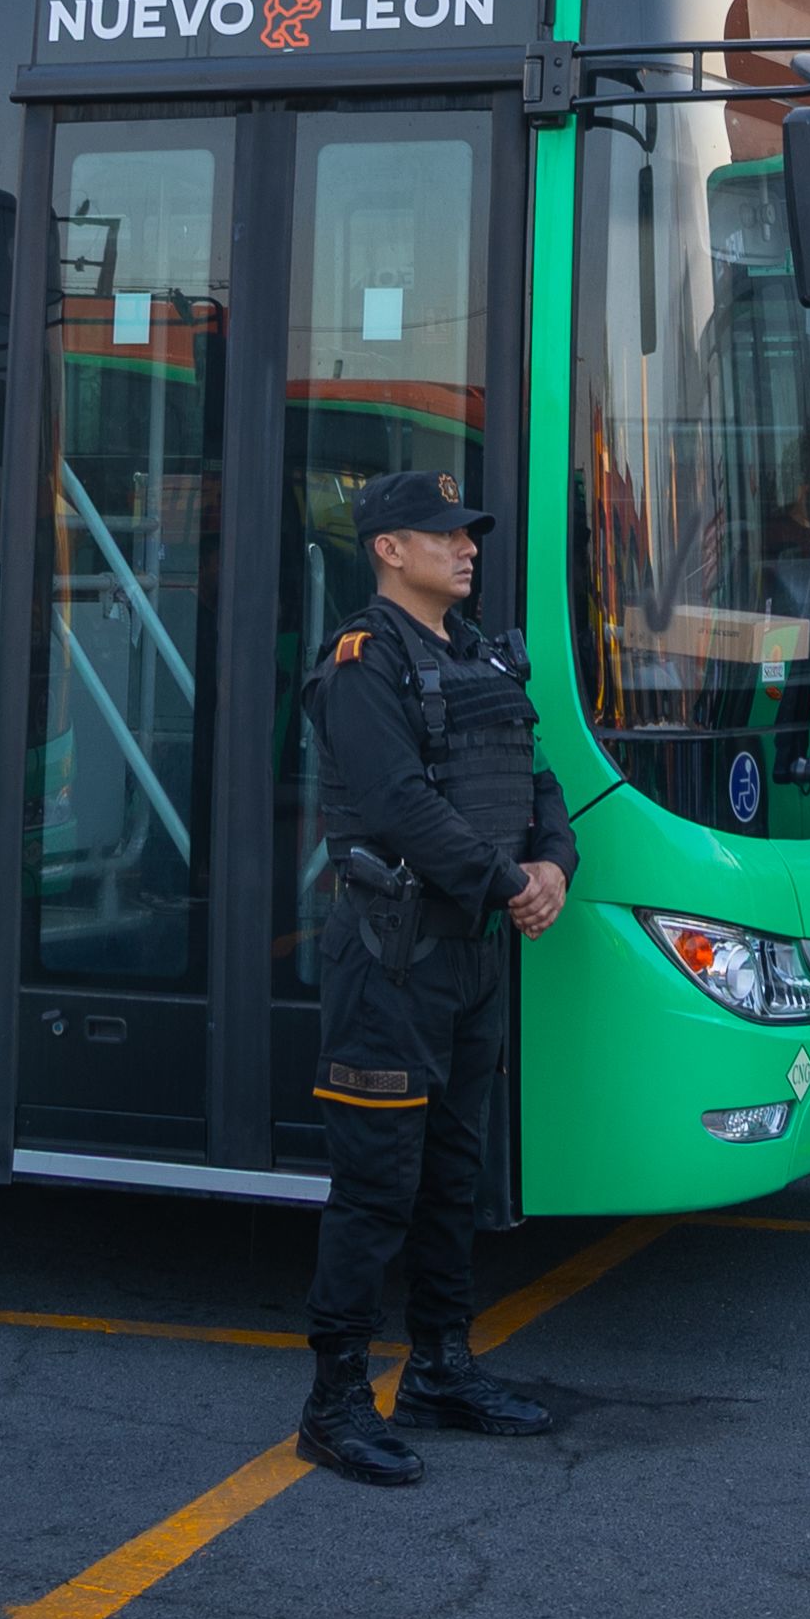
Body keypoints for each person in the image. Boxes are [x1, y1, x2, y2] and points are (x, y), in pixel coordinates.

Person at [291, 466, 575, 1485]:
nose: (467, 548)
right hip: (390, 956)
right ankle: (333, 1403)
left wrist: (552, 866)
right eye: (443, 535)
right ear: (387, 550)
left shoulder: (487, 654)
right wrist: (513, 885)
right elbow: (401, 804)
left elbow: (538, 782)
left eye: (469, 534)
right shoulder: (362, 661)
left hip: (473, 952)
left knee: (457, 1175)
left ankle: (442, 1370)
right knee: (377, 1185)